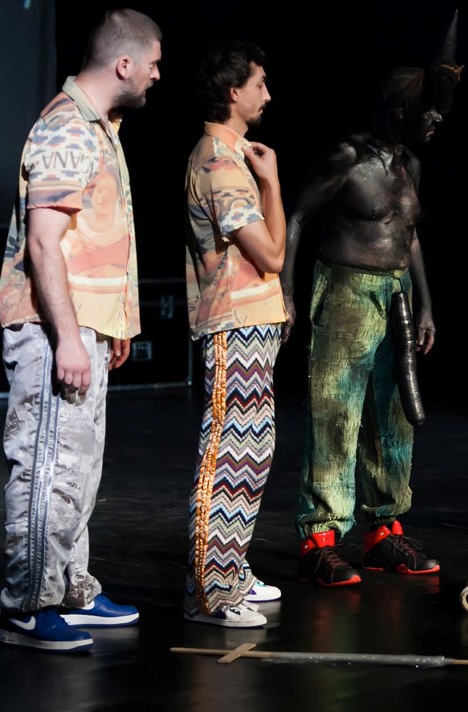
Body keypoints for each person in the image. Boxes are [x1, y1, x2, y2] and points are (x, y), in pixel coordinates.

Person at [0, 9, 162, 651]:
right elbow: (44, 242)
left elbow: (92, 237)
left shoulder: (101, 129)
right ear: (124, 64)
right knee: (47, 466)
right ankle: (26, 606)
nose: (156, 75)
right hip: (49, 327)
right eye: (152, 63)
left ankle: (68, 589)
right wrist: (67, 334)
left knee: (78, 469)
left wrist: (114, 322)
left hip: (82, 324)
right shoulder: (66, 127)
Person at [280, 13, 461, 587]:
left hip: (397, 296)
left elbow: (410, 237)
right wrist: (286, 291)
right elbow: (297, 218)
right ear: (400, 110)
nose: (436, 121)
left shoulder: (411, 165)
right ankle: (319, 538)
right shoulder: (347, 159)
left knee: (393, 416)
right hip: (346, 292)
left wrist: (426, 303)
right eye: (429, 112)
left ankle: (384, 531)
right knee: (336, 413)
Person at [182, 40, 287, 627]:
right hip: (233, 324)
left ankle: (232, 570)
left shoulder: (232, 157)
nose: (267, 94)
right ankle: (210, 593)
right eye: (259, 84)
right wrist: (273, 184)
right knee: (227, 454)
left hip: (252, 321)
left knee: (253, 453)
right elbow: (271, 254)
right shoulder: (220, 164)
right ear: (233, 91)